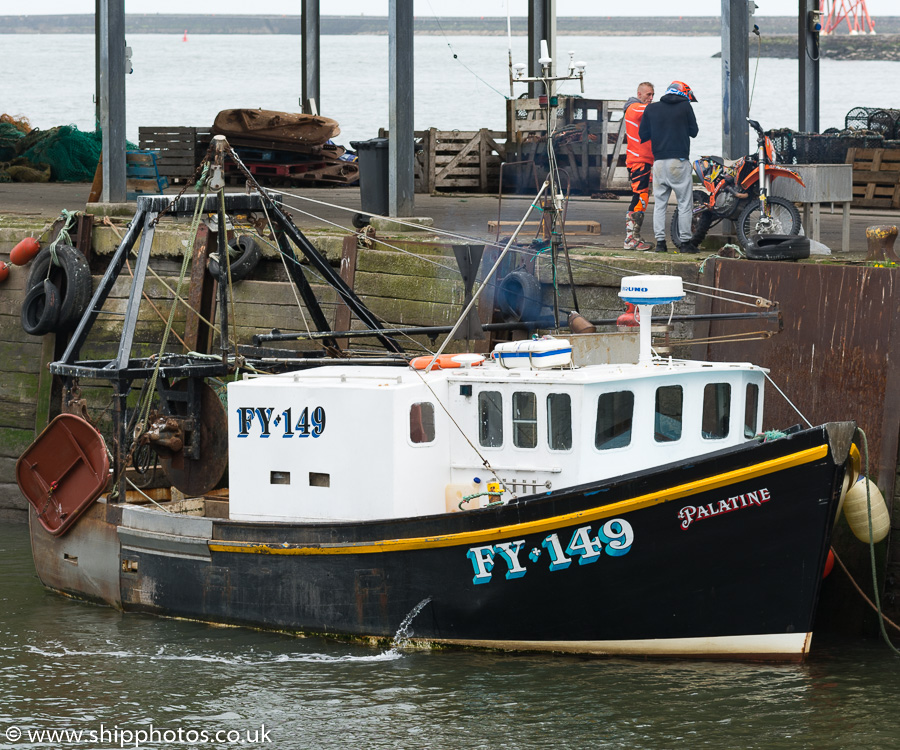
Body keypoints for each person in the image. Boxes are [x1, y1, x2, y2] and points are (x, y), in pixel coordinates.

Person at [638, 80, 699, 254]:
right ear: (683, 93)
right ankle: (686, 243)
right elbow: (694, 132)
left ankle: (660, 243)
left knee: (660, 204)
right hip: (678, 161)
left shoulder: (651, 108)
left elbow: (643, 134)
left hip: (658, 163)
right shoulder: (685, 107)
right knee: (684, 203)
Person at [622, 82, 654, 251]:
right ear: (639, 94)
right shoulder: (634, 107)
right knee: (640, 197)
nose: (650, 98)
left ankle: (633, 236)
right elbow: (655, 110)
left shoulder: (641, 111)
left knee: (642, 197)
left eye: (652, 95)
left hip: (645, 160)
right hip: (638, 161)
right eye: (648, 95)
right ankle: (630, 239)